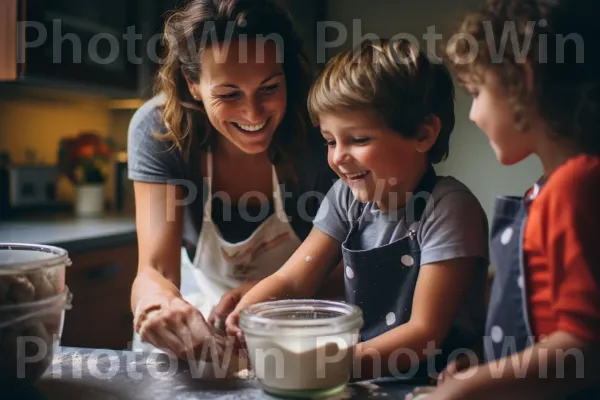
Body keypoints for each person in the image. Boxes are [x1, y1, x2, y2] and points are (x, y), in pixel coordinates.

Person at [226, 39, 490, 380]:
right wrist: (250, 317)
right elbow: (293, 279)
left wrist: (328, 365)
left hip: (435, 383)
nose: (337, 157)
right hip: (363, 376)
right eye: (330, 141)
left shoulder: (449, 208)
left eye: (359, 140)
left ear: (423, 134)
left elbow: (424, 333)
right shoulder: (345, 199)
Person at [407, 0, 600, 399]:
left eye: (477, 92)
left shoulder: (577, 187)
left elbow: (586, 347)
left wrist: (474, 388)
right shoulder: (548, 189)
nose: (474, 115)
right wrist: (485, 362)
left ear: (522, 80)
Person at [127, 0, 338, 360]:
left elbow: (353, 267)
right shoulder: (160, 130)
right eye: (228, 94)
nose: (253, 113)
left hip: (311, 317)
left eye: (270, 88)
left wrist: (277, 295)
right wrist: (157, 305)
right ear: (193, 84)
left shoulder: (323, 135)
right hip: (204, 315)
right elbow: (155, 269)